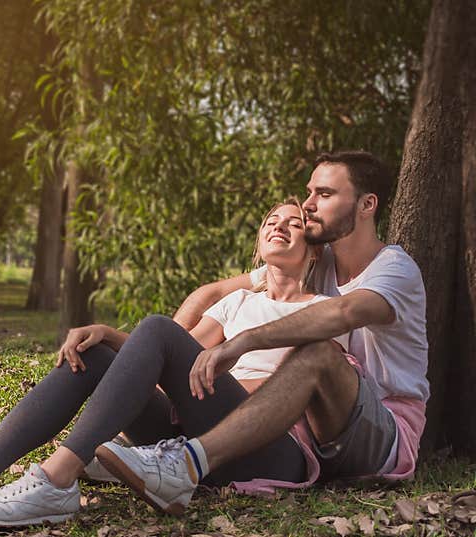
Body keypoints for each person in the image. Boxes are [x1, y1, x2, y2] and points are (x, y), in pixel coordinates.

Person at [0, 197, 346, 530]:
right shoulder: (238, 302)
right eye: (272, 221)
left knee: (152, 326)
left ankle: (57, 480)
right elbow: (166, 349)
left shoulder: (329, 308)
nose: (280, 227)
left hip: (266, 447)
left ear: (314, 250)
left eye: (295, 224)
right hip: (191, 432)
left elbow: (323, 388)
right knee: (93, 353)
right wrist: (107, 334)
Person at [97, 150, 428, 513]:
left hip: (382, 430)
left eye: (325, 194)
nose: (308, 204)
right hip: (324, 426)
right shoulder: (318, 258)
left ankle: (185, 465)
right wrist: (166, 352)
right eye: (310, 192)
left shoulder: (395, 269)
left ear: (367, 204)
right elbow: (214, 292)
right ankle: (159, 457)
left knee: (318, 352)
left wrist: (243, 342)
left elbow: (344, 311)